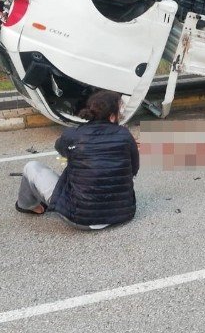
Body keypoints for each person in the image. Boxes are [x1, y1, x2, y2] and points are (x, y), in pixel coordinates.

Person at [15, 90, 139, 229]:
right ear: (111, 117)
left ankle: (27, 205)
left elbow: (60, 148)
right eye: (119, 113)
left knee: (31, 166)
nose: (120, 116)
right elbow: (134, 169)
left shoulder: (73, 135)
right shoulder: (125, 135)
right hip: (122, 214)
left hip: (79, 218)